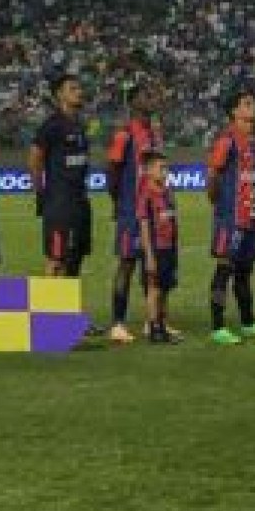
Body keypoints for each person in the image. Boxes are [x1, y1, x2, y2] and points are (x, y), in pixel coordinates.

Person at [207, 89, 255, 345]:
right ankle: (217, 326)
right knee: (225, 268)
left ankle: (248, 322)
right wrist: (220, 206)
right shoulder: (226, 141)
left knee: (245, 271)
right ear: (234, 111)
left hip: (251, 218)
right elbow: (213, 176)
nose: (252, 107)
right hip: (230, 218)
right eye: (247, 104)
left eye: (252, 102)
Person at [105, 82, 163, 345]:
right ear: (134, 101)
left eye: (153, 95)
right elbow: (112, 171)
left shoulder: (155, 134)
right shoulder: (124, 134)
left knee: (152, 267)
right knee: (127, 263)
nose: (152, 99)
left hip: (155, 211)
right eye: (146, 95)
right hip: (132, 210)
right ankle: (117, 323)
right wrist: (119, 201)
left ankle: (153, 321)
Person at [31, 75, 93, 282]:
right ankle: (49, 311)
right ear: (60, 95)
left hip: (80, 202)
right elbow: (35, 158)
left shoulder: (79, 125)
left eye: (80, 88)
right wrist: (40, 192)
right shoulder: (52, 125)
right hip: (60, 203)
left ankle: (67, 311)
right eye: (73, 88)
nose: (79, 92)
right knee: (56, 259)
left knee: (75, 258)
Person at [135, 149, 182, 344]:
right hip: (155, 248)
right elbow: (144, 226)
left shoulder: (167, 192)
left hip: (169, 248)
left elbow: (173, 220)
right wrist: (149, 256)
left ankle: (162, 325)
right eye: (161, 168)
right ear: (148, 171)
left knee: (165, 287)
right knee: (154, 288)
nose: (165, 172)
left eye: (166, 168)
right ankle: (154, 327)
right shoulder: (146, 195)